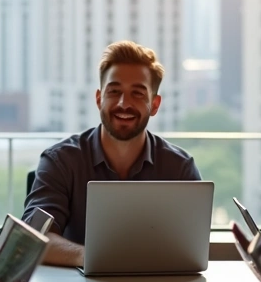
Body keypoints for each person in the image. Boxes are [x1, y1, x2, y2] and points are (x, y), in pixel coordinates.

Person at [23, 41, 201, 267]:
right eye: (114, 91)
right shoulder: (60, 161)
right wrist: (91, 258)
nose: (123, 103)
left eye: (137, 93)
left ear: (155, 105)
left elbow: (192, 247)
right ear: (99, 99)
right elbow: (34, 237)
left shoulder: (180, 167)